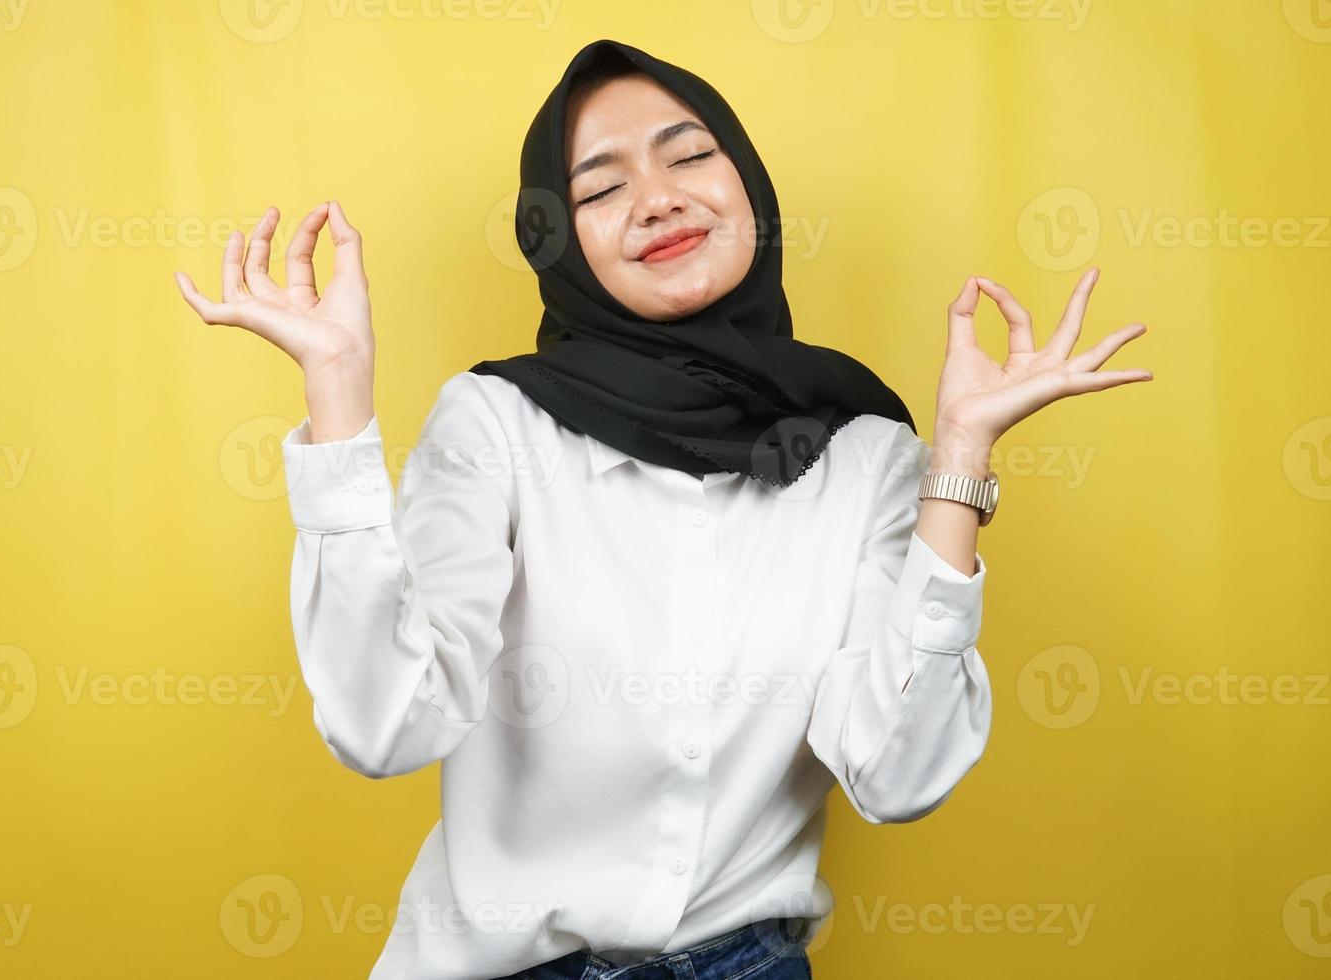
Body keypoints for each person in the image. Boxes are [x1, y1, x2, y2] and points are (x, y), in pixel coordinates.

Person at [174, 37, 1152, 980]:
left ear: (750, 190)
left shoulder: (866, 457)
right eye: (599, 188)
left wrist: (962, 459)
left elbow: (897, 776)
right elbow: (388, 727)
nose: (658, 199)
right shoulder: (498, 426)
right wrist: (338, 393)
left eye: (690, 156)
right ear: (558, 240)